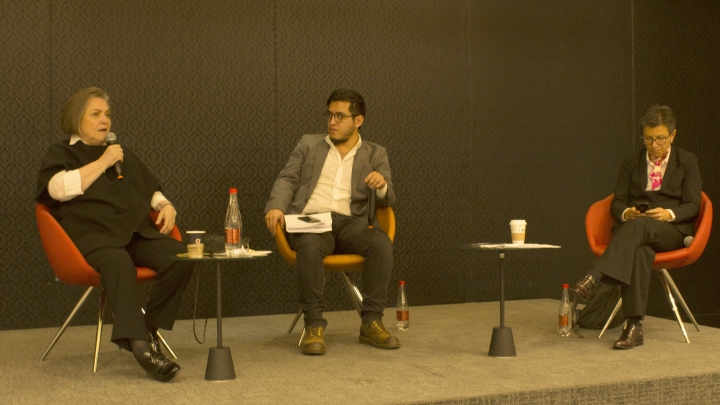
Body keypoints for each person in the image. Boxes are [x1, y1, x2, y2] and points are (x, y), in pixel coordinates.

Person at [36, 87, 193, 381]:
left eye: (106, 114)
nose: (104, 120)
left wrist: (165, 204)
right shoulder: (63, 153)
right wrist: (102, 162)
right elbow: (57, 189)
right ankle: (142, 351)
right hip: (93, 238)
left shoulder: (120, 152)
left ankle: (147, 329)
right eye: (95, 114)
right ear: (76, 119)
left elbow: (149, 188)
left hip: (133, 233)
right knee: (118, 263)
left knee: (180, 257)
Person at [264, 89, 399, 355]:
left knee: (381, 244)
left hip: (350, 223)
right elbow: (287, 178)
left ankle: (372, 322)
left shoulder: (376, 153)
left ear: (358, 120)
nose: (332, 121)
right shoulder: (308, 144)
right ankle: (314, 325)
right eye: (329, 115)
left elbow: (388, 198)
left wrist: (381, 185)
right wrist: (277, 206)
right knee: (311, 246)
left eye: (340, 116)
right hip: (311, 220)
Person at [574, 105, 702, 350]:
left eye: (660, 139)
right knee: (639, 249)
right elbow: (617, 202)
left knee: (638, 229)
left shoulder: (686, 161)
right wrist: (626, 212)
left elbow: (694, 205)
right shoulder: (632, 161)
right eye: (648, 138)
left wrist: (669, 213)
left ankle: (594, 277)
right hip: (636, 230)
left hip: (670, 231)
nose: (654, 145)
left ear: (673, 135)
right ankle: (634, 327)